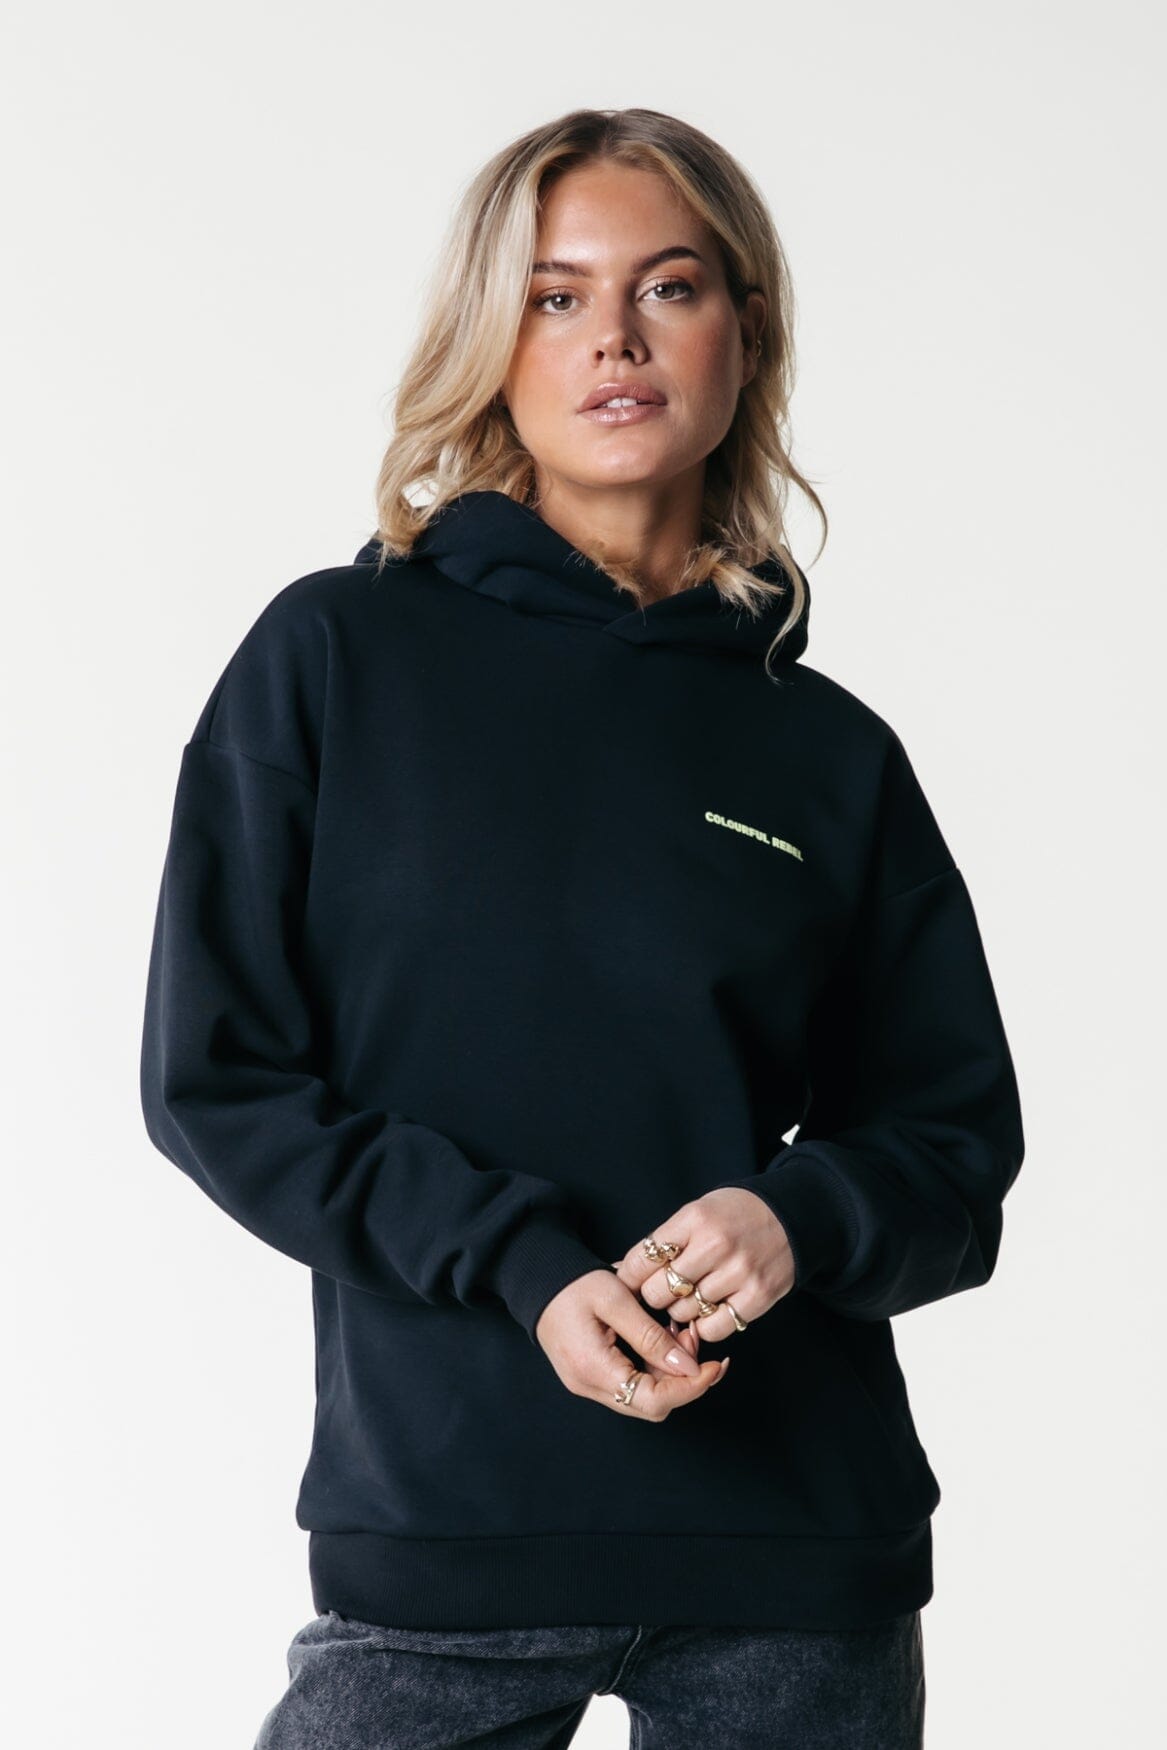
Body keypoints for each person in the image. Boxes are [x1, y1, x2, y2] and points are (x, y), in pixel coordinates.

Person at [139, 106, 1025, 1749]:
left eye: (668, 287)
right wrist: (520, 1261)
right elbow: (218, 1077)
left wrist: (798, 1217)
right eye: (556, 296)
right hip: (444, 1537)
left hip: (793, 1561)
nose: (614, 338)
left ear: (743, 330)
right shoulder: (334, 659)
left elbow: (955, 1146)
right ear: (494, 340)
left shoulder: (828, 751)